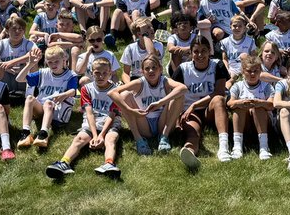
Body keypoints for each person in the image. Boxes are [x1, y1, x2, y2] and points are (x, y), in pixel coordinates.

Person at [46, 57, 123, 180]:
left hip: (110, 121)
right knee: (80, 138)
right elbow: (89, 113)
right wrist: (94, 134)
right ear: (92, 73)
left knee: (111, 138)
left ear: (110, 73)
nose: (101, 76)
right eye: (97, 73)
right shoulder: (86, 89)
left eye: (104, 73)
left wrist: (101, 135)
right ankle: (64, 162)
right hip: (92, 121)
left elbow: (112, 114)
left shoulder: (116, 90)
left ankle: (109, 163)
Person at [171, 35, 231, 169]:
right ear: (191, 53)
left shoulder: (217, 65)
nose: (200, 55)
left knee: (219, 100)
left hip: (210, 110)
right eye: (196, 51)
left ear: (210, 51)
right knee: (193, 133)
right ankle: (189, 152)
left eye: (203, 50)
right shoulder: (183, 69)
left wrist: (195, 104)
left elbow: (219, 91)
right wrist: (176, 119)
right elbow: (173, 94)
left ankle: (223, 147)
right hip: (190, 112)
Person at [110, 52, 187, 155]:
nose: (151, 71)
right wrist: (131, 110)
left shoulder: (164, 81)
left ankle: (164, 137)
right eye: (147, 68)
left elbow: (183, 88)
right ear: (142, 71)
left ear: (160, 69)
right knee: (125, 95)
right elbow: (112, 92)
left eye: (154, 68)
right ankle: (139, 140)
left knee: (179, 95)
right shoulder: (139, 83)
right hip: (143, 121)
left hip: (163, 122)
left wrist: (160, 102)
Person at [17, 45, 80, 151]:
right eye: (50, 62)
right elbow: (19, 79)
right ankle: (26, 132)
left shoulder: (70, 75)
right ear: (46, 62)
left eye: (56, 61)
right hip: (42, 110)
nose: (53, 64)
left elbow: (73, 91)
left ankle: (44, 134)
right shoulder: (44, 72)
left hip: (58, 112)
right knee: (29, 98)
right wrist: (30, 64)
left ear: (64, 59)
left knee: (48, 103)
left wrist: (64, 94)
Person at [227, 57, 275, 159]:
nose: (252, 74)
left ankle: (264, 147)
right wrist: (240, 102)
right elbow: (230, 103)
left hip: (265, 123)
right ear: (243, 71)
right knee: (239, 107)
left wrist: (259, 103)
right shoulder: (237, 86)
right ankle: (237, 146)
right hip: (245, 123)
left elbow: (271, 105)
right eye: (249, 71)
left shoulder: (267, 86)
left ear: (260, 71)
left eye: (255, 71)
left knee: (258, 107)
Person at [119, 16, 164, 84]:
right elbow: (125, 73)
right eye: (148, 28)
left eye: (151, 26)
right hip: (136, 79)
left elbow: (152, 54)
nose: (152, 29)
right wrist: (129, 86)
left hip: (154, 78)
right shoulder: (130, 49)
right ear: (139, 34)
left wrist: (145, 35)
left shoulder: (158, 45)